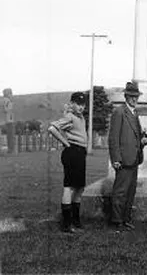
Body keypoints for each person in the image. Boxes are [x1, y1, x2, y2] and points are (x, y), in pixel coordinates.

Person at [108, 81, 147, 232]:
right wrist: (115, 159)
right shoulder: (119, 112)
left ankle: (125, 219)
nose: (134, 99)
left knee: (130, 191)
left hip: (134, 158)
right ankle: (116, 221)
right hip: (123, 160)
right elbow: (113, 138)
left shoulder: (134, 113)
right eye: (132, 96)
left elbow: (135, 137)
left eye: (136, 96)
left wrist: (143, 141)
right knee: (120, 191)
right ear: (126, 96)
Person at [48, 92, 87, 233]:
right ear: (72, 103)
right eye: (77, 103)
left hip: (80, 153)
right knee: (69, 187)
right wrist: (66, 143)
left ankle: (76, 221)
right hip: (72, 152)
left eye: (83, 104)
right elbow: (52, 128)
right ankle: (67, 224)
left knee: (79, 187)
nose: (81, 107)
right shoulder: (70, 116)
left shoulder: (80, 117)